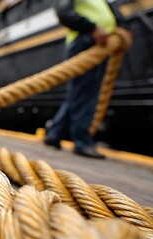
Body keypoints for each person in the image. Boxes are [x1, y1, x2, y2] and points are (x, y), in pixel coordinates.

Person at [43, 0, 119, 159]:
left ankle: (55, 132)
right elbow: (64, 13)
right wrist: (92, 28)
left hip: (99, 42)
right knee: (87, 93)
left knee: (79, 92)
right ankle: (82, 141)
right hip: (86, 41)